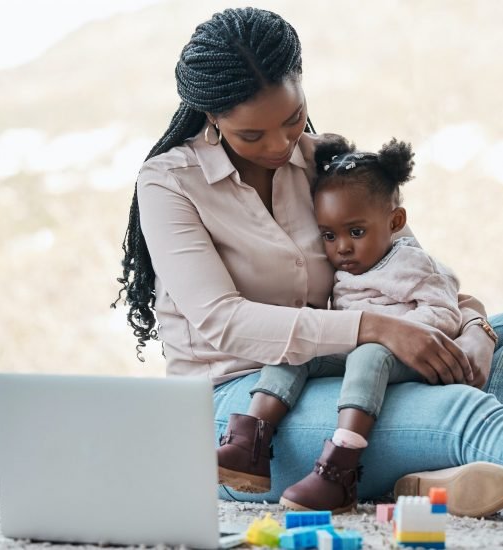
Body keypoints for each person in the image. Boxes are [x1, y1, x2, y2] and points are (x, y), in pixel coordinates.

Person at [113, 7, 503, 517]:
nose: (279, 145)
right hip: (246, 410)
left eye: (292, 118)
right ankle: (444, 454)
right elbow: (221, 320)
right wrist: (374, 328)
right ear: (211, 115)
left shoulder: (328, 163)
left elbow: (411, 269)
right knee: (464, 414)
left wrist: (475, 331)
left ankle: (425, 478)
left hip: (344, 377)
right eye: (252, 135)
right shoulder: (170, 183)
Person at [218, 135, 471, 513]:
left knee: (369, 353)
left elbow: (445, 312)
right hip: (355, 356)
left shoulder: (414, 264)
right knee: (299, 349)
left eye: (356, 232)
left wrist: (396, 331)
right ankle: (249, 438)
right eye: (329, 236)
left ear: (395, 221)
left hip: (403, 359)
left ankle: (340, 466)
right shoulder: (347, 270)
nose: (342, 248)